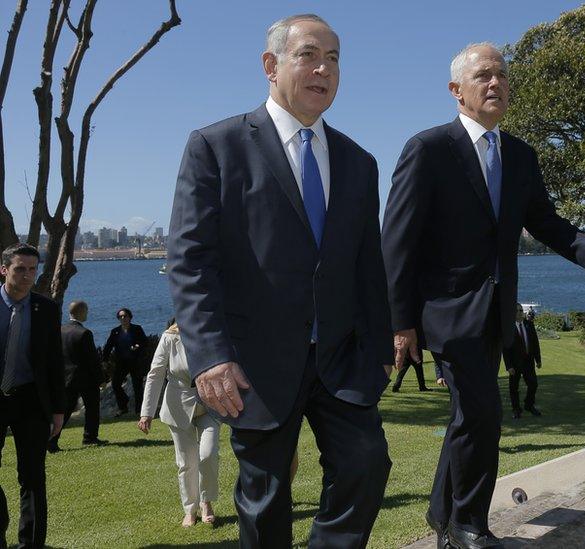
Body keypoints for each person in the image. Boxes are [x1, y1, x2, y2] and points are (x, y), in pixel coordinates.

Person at [382, 43, 585, 548]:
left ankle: (442, 513)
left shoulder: (520, 155)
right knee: (483, 413)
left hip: (498, 312)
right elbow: (398, 240)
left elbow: (544, 222)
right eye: (483, 76)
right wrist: (401, 322)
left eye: (502, 75)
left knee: (469, 413)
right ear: (457, 90)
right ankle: (467, 527)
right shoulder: (428, 149)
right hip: (447, 311)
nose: (496, 83)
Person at [167, 13, 393, 548]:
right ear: (271, 65)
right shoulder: (215, 147)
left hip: (340, 358)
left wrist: (380, 345)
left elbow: (368, 264)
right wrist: (211, 356)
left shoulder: (360, 163)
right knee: (266, 498)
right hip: (254, 364)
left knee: (367, 463)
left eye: (334, 59)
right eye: (309, 55)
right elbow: (190, 261)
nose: (324, 69)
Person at [0, 243, 66, 548]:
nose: (28, 276)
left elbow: (54, 363)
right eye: (20, 269)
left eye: (32, 269)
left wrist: (57, 410)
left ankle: (31, 545)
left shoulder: (47, 309)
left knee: (33, 478)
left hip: (31, 401)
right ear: (4, 270)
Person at [138, 320, 221, 528]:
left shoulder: (211, 330)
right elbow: (156, 373)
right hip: (178, 404)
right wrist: (147, 413)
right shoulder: (169, 337)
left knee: (208, 454)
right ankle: (190, 509)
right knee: (186, 462)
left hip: (209, 403)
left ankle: (206, 502)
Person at [49, 300, 106, 452]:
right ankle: (89, 437)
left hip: (66, 377)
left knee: (65, 410)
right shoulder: (84, 333)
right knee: (92, 407)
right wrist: (100, 379)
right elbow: (92, 359)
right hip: (85, 378)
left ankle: (52, 439)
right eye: (86, 311)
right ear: (81, 312)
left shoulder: (60, 330)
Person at [103, 307, 148, 416]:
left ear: (130, 317)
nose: (123, 318)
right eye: (120, 316)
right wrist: (104, 360)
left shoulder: (137, 329)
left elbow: (144, 342)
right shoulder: (116, 332)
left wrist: (137, 346)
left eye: (125, 316)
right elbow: (108, 346)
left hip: (135, 362)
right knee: (115, 384)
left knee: (137, 386)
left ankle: (139, 410)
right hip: (121, 363)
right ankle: (123, 406)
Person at [503, 305, 542, 420]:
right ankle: (516, 409)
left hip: (528, 362)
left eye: (521, 310)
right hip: (514, 364)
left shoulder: (529, 324)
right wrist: (508, 366)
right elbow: (505, 348)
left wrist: (538, 360)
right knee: (514, 388)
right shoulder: (508, 327)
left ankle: (529, 405)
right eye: (517, 311)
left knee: (533, 384)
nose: (520, 313)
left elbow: (535, 343)